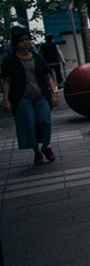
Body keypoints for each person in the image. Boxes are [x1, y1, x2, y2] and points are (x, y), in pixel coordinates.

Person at [2, 26, 59, 166]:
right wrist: (6, 99)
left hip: (40, 95)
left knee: (44, 120)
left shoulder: (37, 58)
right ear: (15, 43)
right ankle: (36, 152)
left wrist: (54, 93)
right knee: (29, 123)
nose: (25, 42)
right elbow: (7, 80)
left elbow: (47, 76)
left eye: (27, 39)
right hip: (22, 97)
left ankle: (45, 146)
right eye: (21, 40)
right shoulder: (10, 60)